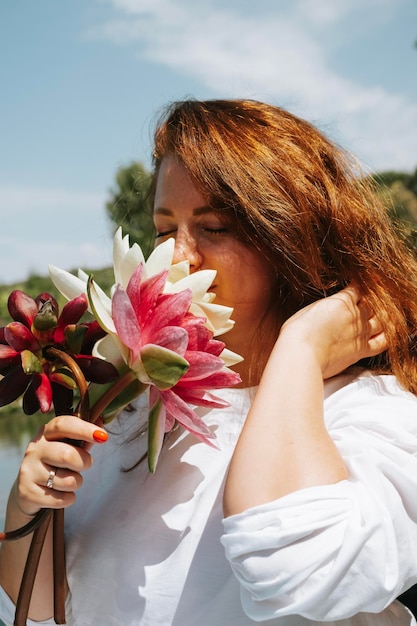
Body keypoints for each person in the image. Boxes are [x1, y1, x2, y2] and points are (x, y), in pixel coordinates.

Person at [1, 98, 417, 625]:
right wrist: (26, 511)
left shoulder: (379, 416)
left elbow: (294, 573)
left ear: (291, 238)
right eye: (162, 228)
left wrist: (300, 348)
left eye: (214, 227)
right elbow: (42, 610)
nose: (177, 256)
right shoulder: (127, 412)